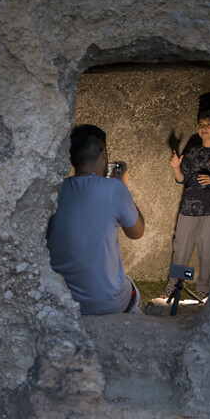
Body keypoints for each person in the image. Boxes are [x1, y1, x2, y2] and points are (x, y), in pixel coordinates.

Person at [47, 124, 145, 316]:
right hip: (106, 303)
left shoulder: (54, 189)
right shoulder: (114, 189)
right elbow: (137, 232)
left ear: (71, 158)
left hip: (61, 299)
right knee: (131, 288)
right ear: (104, 154)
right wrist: (123, 187)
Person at [160, 107, 210, 300]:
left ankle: (204, 288)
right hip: (190, 208)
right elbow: (181, 179)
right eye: (201, 125)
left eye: (209, 124)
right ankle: (174, 286)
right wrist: (176, 167)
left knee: (208, 249)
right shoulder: (193, 151)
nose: (204, 128)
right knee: (182, 247)